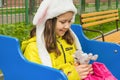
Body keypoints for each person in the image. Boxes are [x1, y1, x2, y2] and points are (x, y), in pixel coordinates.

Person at [21, 0, 93, 80]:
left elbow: (72, 63)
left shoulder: (67, 40)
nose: (67, 26)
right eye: (63, 22)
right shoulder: (34, 48)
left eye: (69, 21)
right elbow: (38, 76)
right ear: (49, 22)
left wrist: (82, 68)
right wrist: (72, 76)